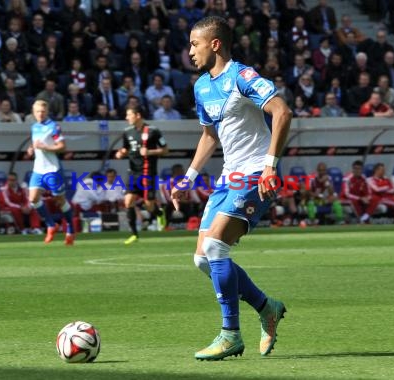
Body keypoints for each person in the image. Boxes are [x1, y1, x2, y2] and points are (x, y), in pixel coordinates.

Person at [170, 16, 292, 361]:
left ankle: (230, 335)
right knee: (202, 259)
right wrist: (189, 179)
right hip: (229, 177)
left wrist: (270, 165)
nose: (190, 51)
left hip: (256, 172)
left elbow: (282, 112)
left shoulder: (242, 76)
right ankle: (267, 307)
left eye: (195, 44)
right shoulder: (201, 87)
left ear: (215, 44)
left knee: (215, 246)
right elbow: (209, 135)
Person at [115, 104, 169, 244]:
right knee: (128, 201)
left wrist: (150, 152)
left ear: (137, 115)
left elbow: (165, 150)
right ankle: (134, 234)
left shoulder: (153, 131)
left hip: (148, 173)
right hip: (133, 172)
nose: (127, 118)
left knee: (149, 205)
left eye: (129, 115)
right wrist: (121, 153)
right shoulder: (127, 132)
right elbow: (126, 148)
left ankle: (159, 213)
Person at [27, 100, 75, 245]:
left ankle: (71, 229)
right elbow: (36, 143)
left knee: (60, 201)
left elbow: (62, 146)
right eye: (37, 111)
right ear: (33, 113)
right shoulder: (34, 127)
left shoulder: (53, 127)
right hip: (38, 169)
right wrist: (31, 149)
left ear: (47, 112)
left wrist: (45, 147)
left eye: (42, 111)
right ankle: (51, 225)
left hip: (52, 169)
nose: (40, 114)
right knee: (33, 198)